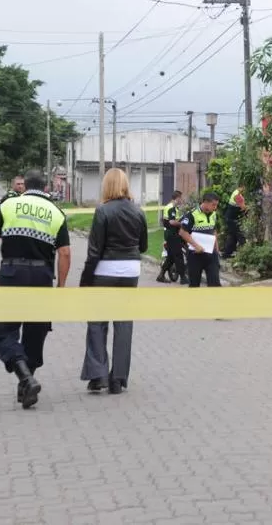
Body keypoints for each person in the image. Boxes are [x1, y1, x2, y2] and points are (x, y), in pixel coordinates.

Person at [0, 170, 71, 409]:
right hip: (41, 277)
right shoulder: (56, 212)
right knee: (36, 329)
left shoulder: (11, 205)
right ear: (45, 188)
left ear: (24, 187)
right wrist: (61, 287)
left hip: (12, 274)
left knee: (5, 330)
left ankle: (24, 376)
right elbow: (64, 252)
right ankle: (27, 382)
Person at [79, 169, 148, 395]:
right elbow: (144, 246)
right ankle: (118, 378)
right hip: (130, 270)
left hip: (105, 269)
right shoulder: (139, 211)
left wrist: (85, 279)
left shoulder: (102, 210)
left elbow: (94, 250)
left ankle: (98, 375)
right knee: (124, 322)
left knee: (97, 321)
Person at [179, 191, 221, 288]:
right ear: (205, 202)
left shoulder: (214, 214)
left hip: (211, 255)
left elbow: (213, 231)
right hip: (195, 255)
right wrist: (196, 246)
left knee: (215, 284)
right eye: (213, 205)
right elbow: (182, 232)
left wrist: (216, 249)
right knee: (194, 285)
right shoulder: (192, 215)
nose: (215, 207)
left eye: (216, 205)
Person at [156, 190, 188, 284]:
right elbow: (172, 222)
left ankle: (161, 275)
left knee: (171, 257)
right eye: (181, 198)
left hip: (172, 234)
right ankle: (183, 278)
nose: (181, 200)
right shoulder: (170, 208)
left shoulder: (174, 208)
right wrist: (182, 223)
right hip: (172, 235)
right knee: (178, 255)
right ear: (177, 198)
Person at [221, 188, 246, 259]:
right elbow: (243, 208)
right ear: (242, 186)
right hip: (232, 219)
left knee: (232, 237)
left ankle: (226, 254)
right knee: (240, 235)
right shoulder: (237, 195)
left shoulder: (237, 193)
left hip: (231, 218)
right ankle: (243, 255)